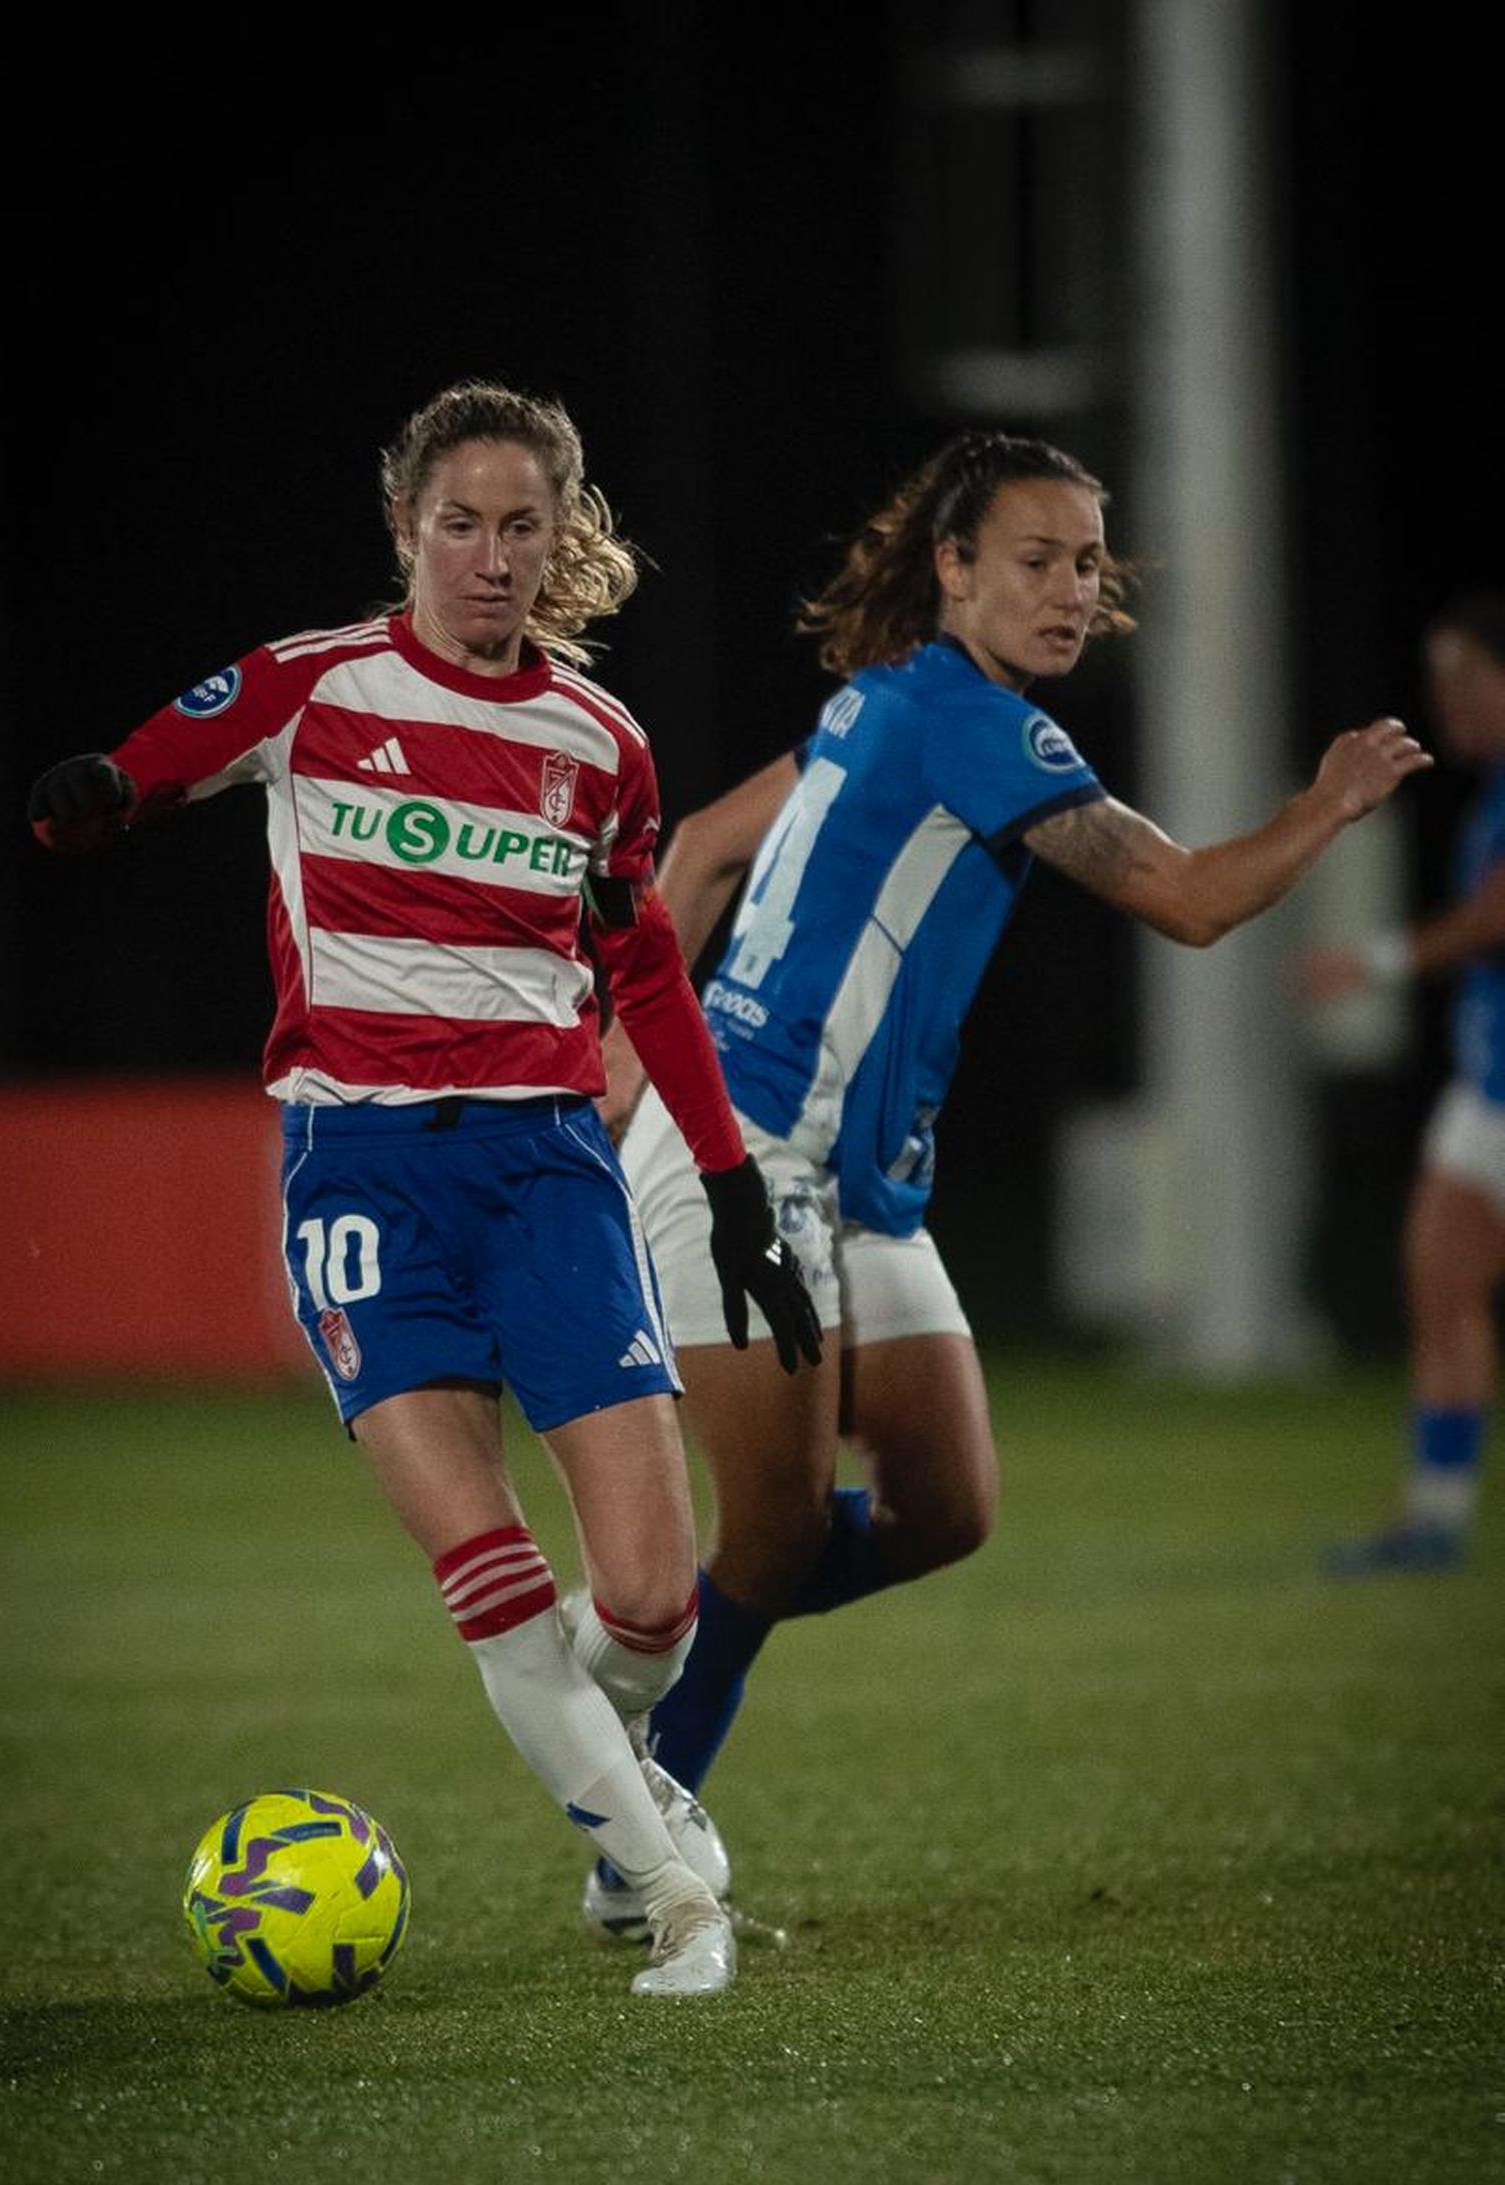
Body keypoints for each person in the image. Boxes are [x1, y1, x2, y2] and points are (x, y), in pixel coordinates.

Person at [27, 378, 820, 1998]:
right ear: (405, 530)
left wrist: (729, 1187)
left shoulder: (597, 743)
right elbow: (140, 773)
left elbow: (645, 967)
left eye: (521, 525)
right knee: (496, 1580)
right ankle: (671, 1893)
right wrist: (99, 794)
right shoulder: (309, 688)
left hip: (549, 1172)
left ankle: (608, 1779)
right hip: (364, 1175)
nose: (488, 555)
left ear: (557, 539)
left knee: (654, 1602)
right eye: (457, 523)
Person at [582, 426, 1432, 1934]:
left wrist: (618, 1056)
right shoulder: (973, 721)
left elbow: (705, 850)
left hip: (856, 1175)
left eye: (1089, 564)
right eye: (1035, 558)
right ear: (954, 568)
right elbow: (1187, 899)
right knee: (774, 1531)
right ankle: (632, 1834)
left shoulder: (883, 701)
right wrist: (1332, 800)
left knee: (947, 1505)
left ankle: (651, 1645)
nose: (1068, 588)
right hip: (756, 1145)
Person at [1302, 592, 1505, 1573]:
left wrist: (1373, 962)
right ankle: (1433, 1517)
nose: (1447, 699)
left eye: (1468, 676)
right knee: (1438, 1286)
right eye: (1439, 679)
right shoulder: (1489, 792)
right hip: (1484, 1095)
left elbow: (1495, 918)